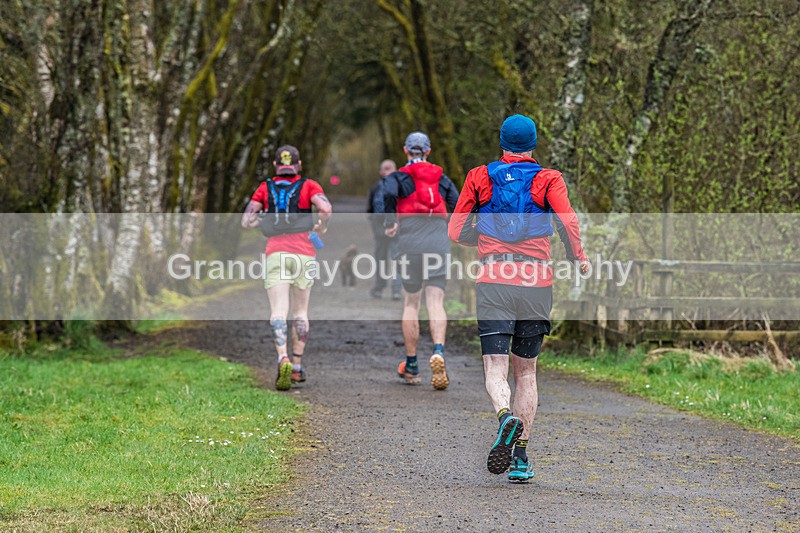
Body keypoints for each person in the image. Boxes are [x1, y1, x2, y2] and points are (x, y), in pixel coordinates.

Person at [448, 115, 589, 482]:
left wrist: (481, 240)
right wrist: (577, 255)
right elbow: (568, 221)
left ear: (502, 143)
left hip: (494, 279)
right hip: (536, 282)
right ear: (533, 144)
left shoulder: (479, 176)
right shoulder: (548, 179)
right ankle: (521, 458)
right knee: (526, 372)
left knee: (495, 367)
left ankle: (504, 416)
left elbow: (455, 230)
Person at [241, 145, 333, 391]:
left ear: (275, 165)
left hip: (276, 253)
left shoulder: (265, 188)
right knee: (300, 312)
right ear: (298, 164)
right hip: (304, 254)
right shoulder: (309, 186)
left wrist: (263, 222)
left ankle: (282, 357)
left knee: (278, 311)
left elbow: (246, 221)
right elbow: (325, 208)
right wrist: (322, 226)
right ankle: (297, 366)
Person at [382, 132, 459, 390]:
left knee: (411, 303)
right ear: (428, 151)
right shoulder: (441, 177)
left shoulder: (398, 177)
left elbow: (388, 195)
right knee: (436, 301)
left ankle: (412, 364)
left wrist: (390, 222)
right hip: (437, 241)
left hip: (409, 243)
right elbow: (457, 204)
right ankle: (438, 351)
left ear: (405, 150)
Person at [367, 159, 402, 300]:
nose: (386, 171)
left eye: (389, 168)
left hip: (396, 225)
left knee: (397, 257)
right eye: (384, 169)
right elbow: (370, 208)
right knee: (380, 258)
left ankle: (396, 289)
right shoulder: (376, 187)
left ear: (395, 170)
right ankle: (379, 287)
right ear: (380, 172)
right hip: (379, 226)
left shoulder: (401, 186)